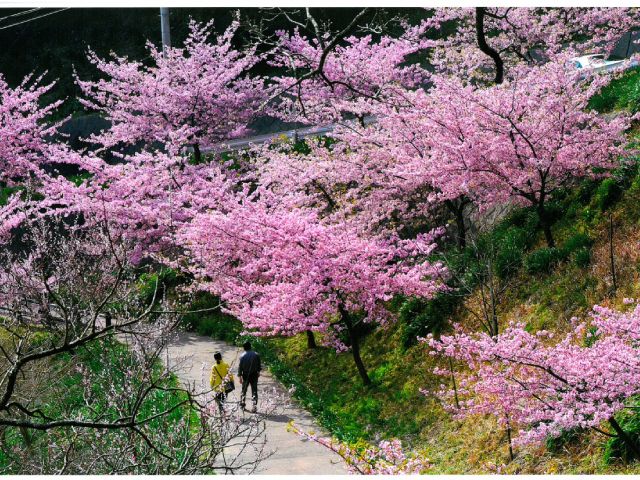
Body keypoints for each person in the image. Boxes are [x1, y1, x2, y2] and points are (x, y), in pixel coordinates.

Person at [238, 341, 261, 412]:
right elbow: (259, 366)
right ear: (250, 346)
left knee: (244, 390)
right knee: (254, 391)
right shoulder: (256, 355)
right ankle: (254, 406)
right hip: (254, 375)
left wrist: (240, 376)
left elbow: (240, 367)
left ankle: (242, 404)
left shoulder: (242, 356)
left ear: (244, 347)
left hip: (245, 375)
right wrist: (258, 372)